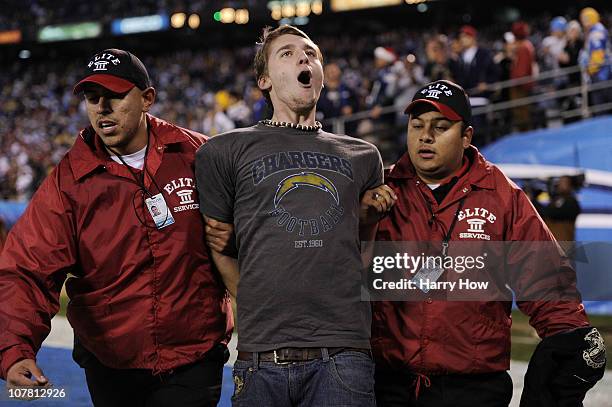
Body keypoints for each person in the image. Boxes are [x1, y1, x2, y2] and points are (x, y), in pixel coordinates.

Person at [0, 48, 233, 406]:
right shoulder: (69, 180)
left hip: (194, 358)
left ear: (147, 99)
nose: (101, 108)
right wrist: (15, 349)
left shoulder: (196, 155)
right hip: (112, 366)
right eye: (93, 98)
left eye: (115, 96)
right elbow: (27, 267)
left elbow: (249, 235)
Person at [370, 80, 606, 406]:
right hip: (389, 387)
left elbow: (546, 280)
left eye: (441, 127)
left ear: (466, 136)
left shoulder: (503, 197)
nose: (425, 136)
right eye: (417, 125)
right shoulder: (378, 193)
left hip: (473, 390)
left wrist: (570, 338)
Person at [195, 25, 395, 406]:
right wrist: (251, 299)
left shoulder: (365, 156)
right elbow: (217, 243)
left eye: (312, 53)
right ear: (265, 80)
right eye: (287, 53)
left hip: (344, 353)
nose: (305, 58)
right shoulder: (223, 152)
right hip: (261, 356)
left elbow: (364, 248)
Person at [579, 7, 612, 116]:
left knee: (602, 109)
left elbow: (597, 56)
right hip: (601, 75)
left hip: (602, 75)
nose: (584, 22)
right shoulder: (595, 30)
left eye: (586, 19)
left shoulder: (596, 32)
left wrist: (590, 69)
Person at [544, 175, 581, 242]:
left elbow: (552, 213)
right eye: (559, 182)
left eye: (564, 182)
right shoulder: (556, 201)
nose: (559, 184)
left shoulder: (572, 203)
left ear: (571, 185)